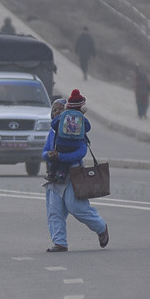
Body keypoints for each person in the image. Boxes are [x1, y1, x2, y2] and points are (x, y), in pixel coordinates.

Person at [41, 89, 108, 252]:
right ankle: (60, 243)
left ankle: (101, 228)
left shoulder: (76, 130)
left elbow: (81, 152)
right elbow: (44, 152)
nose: (56, 112)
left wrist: (61, 157)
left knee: (76, 208)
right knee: (54, 210)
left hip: (73, 175)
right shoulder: (52, 133)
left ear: (68, 114)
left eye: (60, 109)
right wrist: (50, 156)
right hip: (55, 176)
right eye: (54, 109)